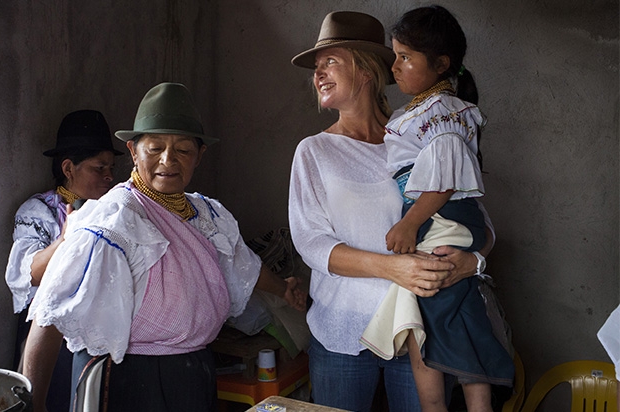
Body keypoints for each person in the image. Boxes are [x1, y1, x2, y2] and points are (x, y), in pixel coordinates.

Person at [26, 82, 307, 412]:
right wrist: (34, 404)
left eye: (183, 150)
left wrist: (284, 289)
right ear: (133, 151)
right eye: (155, 147)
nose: (168, 160)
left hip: (195, 370)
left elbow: (242, 264)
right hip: (132, 380)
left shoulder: (207, 214)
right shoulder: (112, 221)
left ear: (200, 155)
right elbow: (50, 313)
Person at [288, 11, 494, 411]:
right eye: (316, 67)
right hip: (341, 333)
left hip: (421, 325)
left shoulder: (419, 133)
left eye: (330, 61)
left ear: (366, 69)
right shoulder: (315, 151)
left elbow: (476, 220)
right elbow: (311, 243)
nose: (319, 74)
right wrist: (391, 267)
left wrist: (473, 263)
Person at [359, 6, 514, 412]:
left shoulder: (440, 112)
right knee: (435, 313)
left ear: (441, 64)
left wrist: (410, 224)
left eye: (406, 57)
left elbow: (443, 182)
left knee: (431, 307)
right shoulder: (421, 112)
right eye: (395, 55)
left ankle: (446, 405)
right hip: (443, 219)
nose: (395, 66)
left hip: (441, 220)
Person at [5, 109, 121, 411]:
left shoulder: (115, 211)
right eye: (99, 167)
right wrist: (68, 238)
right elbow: (26, 273)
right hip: (51, 342)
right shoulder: (39, 211)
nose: (109, 175)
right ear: (69, 168)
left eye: (111, 166)